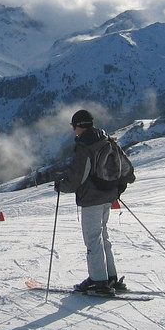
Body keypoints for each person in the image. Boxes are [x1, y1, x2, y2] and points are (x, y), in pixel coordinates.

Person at [54, 109, 129, 294]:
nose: (73, 130)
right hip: (108, 195)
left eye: (73, 126)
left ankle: (98, 281)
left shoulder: (85, 145)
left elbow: (77, 177)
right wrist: (117, 188)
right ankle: (110, 277)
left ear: (79, 126)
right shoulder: (106, 139)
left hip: (92, 198)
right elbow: (127, 168)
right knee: (103, 236)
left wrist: (61, 186)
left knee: (93, 239)